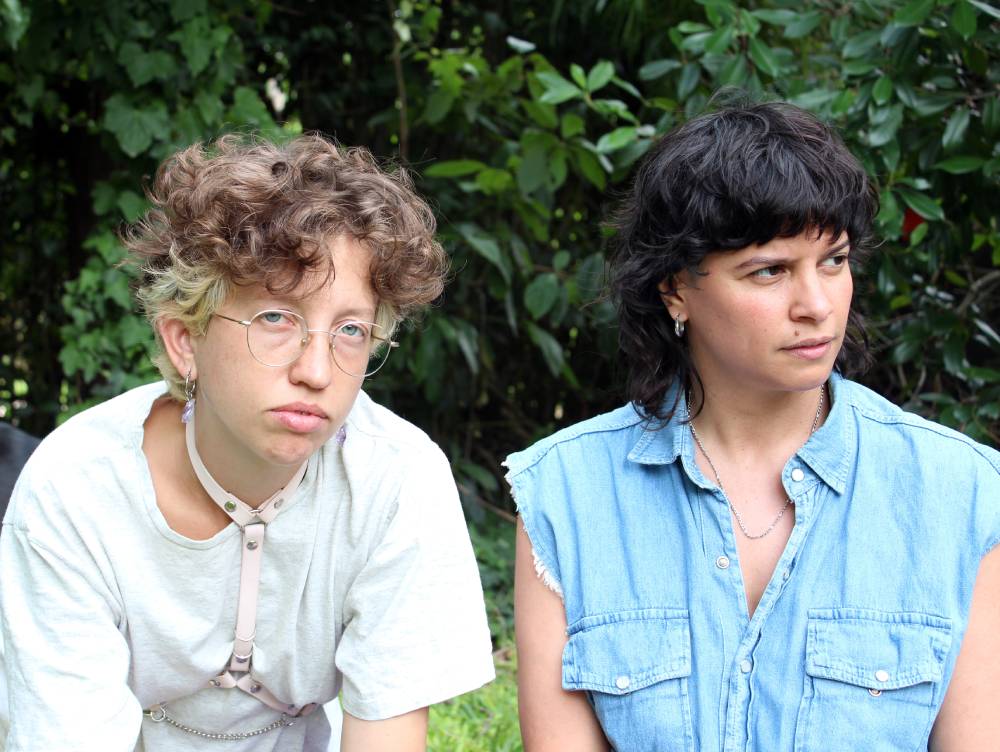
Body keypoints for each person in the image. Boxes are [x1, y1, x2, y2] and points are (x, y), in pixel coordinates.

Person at [507, 100, 1000, 751]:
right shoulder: (566, 494)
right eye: (770, 270)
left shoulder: (960, 490)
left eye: (834, 261)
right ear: (675, 289)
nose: (817, 305)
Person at [0, 134, 495, 751]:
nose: (317, 371)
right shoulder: (75, 489)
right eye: (275, 318)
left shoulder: (397, 479)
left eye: (350, 330)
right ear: (186, 339)